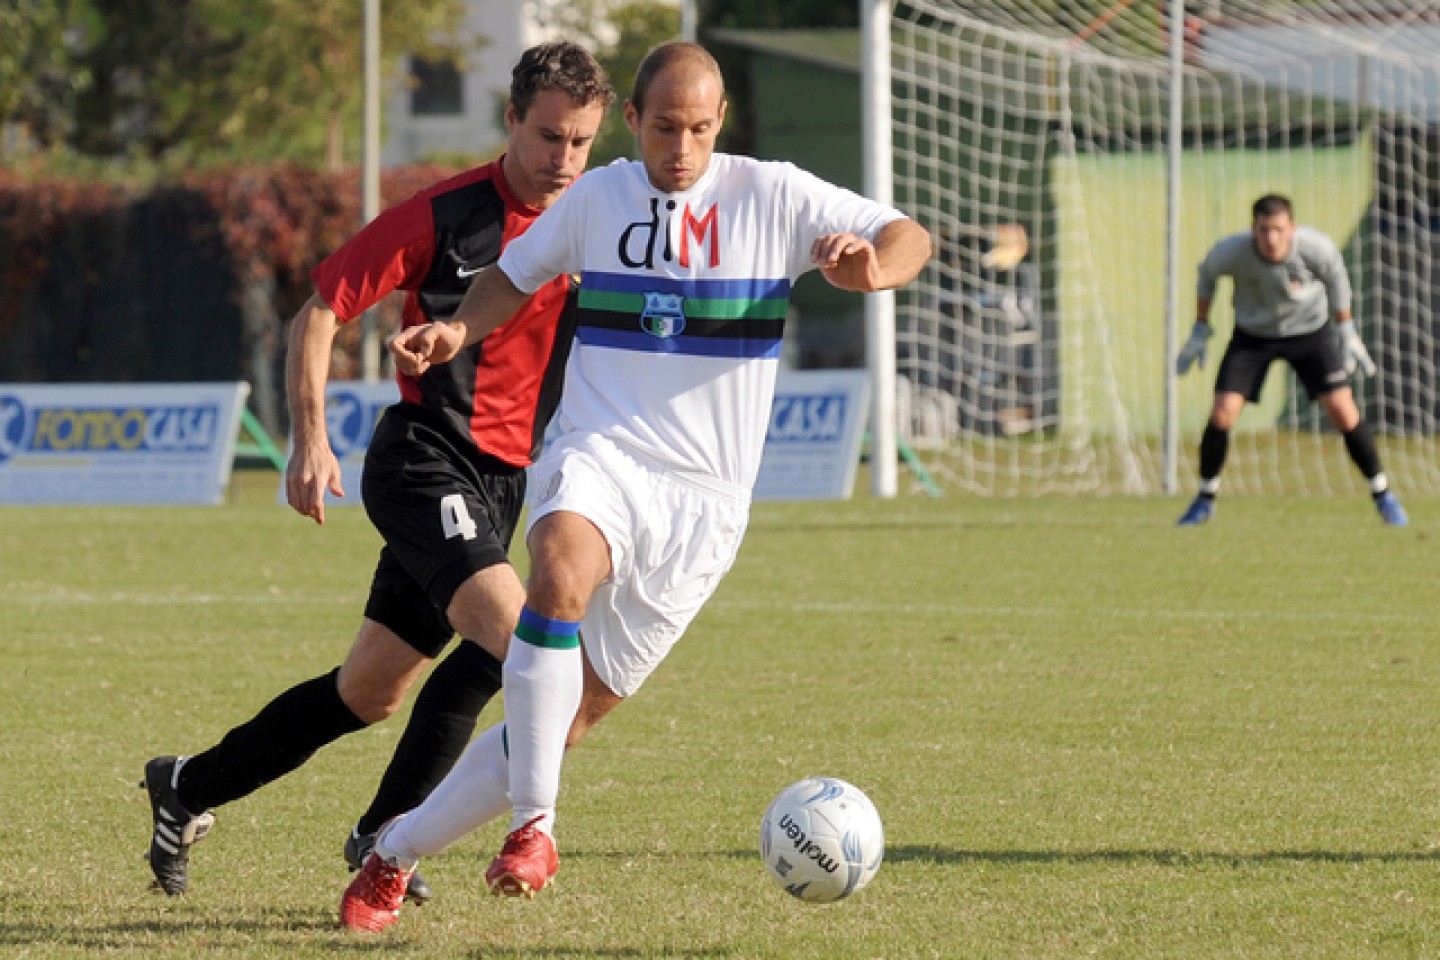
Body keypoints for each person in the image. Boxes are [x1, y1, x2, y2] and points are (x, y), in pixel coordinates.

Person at [339, 41, 932, 933]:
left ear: (720, 122)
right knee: (556, 571)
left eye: (698, 128)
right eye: (664, 127)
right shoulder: (601, 197)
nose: (681, 148)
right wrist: (457, 333)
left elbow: (907, 234)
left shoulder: (772, 195)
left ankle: (395, 850)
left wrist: (875, 266)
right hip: (602, 451)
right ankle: (534, 828)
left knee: (565, 721)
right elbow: (512, 275)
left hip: (707, 505)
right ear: (634, 121)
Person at [141, 42, 615, 901]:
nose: (563, 160)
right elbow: (318, 313)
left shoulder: (594, 218)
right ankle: (388, 835)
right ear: (510, 120)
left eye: (581, 142)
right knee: (524, 649)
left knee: (368, 693)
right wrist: (310, 439)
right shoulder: (444, 215)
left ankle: (186, 787)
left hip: (508, 485)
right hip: (424, 460)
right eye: (548, 136)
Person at [1174, 193, 1408, 527]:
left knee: (1343, 410)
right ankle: (1204, 499)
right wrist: (1200, 326)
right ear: (1253, 228)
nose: (1271, 238)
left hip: (1310, 334)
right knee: (1222, 413)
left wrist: (1346, 328)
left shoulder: (1316, 248)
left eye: (1279, 230)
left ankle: (1383, 494)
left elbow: (1337, 277)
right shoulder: (1231, 252)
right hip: (1253, 336)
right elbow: (1206, 275)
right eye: (1264, 229)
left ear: (1292, 228)